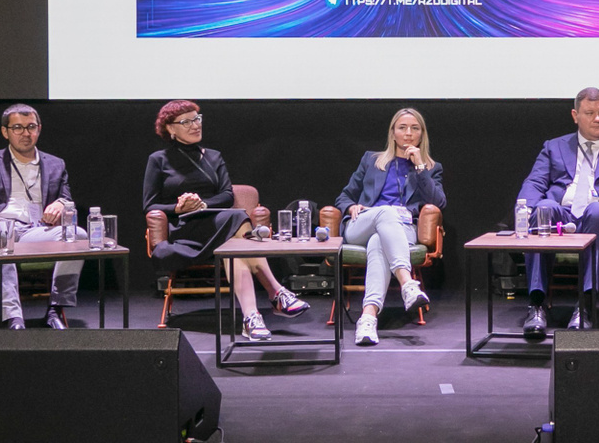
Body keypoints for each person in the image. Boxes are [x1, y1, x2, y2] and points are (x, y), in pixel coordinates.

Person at [142, 100, 310, 343]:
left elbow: (227, 195)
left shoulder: (213, 156)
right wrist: (178, 208)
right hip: (185, 231)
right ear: (170, 128)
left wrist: (203, 204)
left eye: (197, 118)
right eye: (186, 121)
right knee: (238, 221)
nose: (195, 125)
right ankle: (276, 292)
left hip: (217, 222)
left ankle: (251, 317)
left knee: (236, 246)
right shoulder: (158, 159)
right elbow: (150, 205)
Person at [514, 87, 599, 337]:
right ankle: (536, 305)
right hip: (562, 215)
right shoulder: (553, 147)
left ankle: (585, 306)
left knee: (597, 210)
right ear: (575, 115)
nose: (597, 118)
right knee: (543, 208)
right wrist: (525, 210)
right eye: (590, 113)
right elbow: (534, 183)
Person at [0, 104, 83, 329]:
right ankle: (13, 317)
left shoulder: (55, 164)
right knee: (3, 240)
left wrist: (61, 204)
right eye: (18, 128)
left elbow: (67, 199)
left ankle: (56, 308)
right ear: (5, 132)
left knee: (78, 236)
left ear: (39, 129)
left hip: (34, 230)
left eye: (31, 127)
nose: (25, 133)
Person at [334, 107, 446, 346]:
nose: (408, 133)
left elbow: (438, 203)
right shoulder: (372, 160)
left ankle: (367, 318)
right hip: (362, 225)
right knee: (386, 211)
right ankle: (407, 284)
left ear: (422, 134)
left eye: (414, 128)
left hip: (402, 229)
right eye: (402, 128)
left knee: (379, 241)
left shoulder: (431, 167)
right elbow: (344, 196)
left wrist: (420, 167)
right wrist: (350, 207)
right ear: (393, 133)